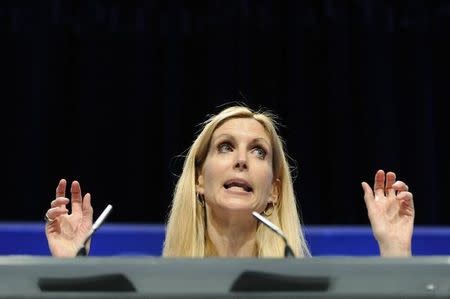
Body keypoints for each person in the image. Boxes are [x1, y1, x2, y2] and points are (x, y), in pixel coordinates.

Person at [44, 104, 414, 258]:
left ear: (274, 192)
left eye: (258, 152)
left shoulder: (311, 289)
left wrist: (396, 252)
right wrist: (65, 271)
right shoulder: (154, 288)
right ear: (199, 182)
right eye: (225, 147)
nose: (241, 160)